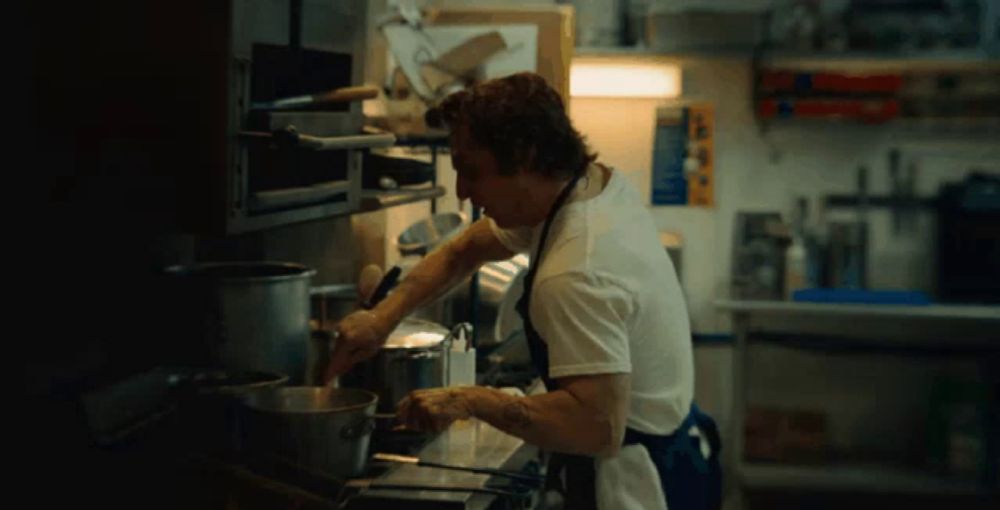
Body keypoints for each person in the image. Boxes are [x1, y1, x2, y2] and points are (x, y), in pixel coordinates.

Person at [327, 72, 721, 510]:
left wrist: (469, 399)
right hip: (681, 447)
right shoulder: (590, 187)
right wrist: (381, 320)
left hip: (637, 487)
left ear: (527, 158)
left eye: (471, 172)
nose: (462, 192)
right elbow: (467, 248)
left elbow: (597, 427)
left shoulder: (574, 272)